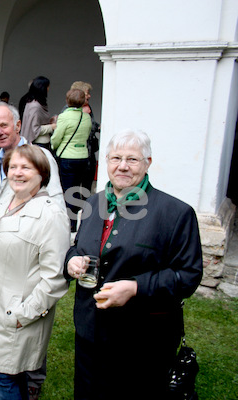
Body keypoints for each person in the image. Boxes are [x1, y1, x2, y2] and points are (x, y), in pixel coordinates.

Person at [65, 129, 203, 400]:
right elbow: (77, 247)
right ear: (106, 161)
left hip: (141, 341)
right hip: (89, 332)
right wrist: (71, 261)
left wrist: (135, 287)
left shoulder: (175, 213)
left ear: (148, 163)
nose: (123, 166)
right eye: (116, 158)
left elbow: (188, 275)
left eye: (133, 159)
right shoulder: (93, 203)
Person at [0, 102, 65, 398]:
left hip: (19, 306)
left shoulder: (48, 210)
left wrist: (24, 313)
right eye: (13, 167)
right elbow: (1, 214)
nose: (18, 172)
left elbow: (54, 274)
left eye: (26, 167)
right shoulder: (4, 179)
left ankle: (29, 380)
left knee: (5, 375)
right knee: (4, 371)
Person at [51, 88, 92, 232]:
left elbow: (57, 137)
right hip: (82, 157)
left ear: (67, 101)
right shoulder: (86, 117)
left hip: (67, 157)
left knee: (67, 191)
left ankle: (70, 224)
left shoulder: (64, 117)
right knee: (76, 189)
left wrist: (53, 145)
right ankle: (75, 221)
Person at [69, 81, 100, 191]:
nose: (89, 95)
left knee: (87, 184)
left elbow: (93, 125)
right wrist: (84, 116)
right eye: (87, 93)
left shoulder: (88, 107)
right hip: (77, 153)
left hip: (89, 152)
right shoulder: (69, 109)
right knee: (75, 186)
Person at [20, 76, 57, 151]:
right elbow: (35, 129)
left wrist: (49, 121)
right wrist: (52, 126)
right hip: (39, 144)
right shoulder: (35, 107)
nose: (48, 89)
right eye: (47, 87)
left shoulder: (33, 103)